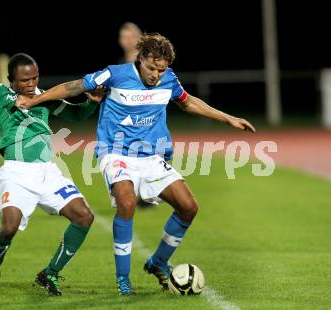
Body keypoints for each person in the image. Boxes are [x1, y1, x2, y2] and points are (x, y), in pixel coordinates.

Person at [15, 33, 255, 295]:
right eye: (151, 68)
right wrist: (34, 100)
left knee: (188, 207)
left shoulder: (169, 80)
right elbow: (74, 86)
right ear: (140, 59)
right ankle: (123, 280)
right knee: (127, 203)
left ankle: (158, 262)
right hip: (115, 152)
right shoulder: (115, 74)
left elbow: (188, 102)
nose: (155, 75)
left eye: (161, 70)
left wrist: (229, 118)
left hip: (152, 157)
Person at [0, 7, 102, 297]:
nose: (32, 84)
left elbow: (76, 117)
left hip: (47, 172)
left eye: (35, 77)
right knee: (9, 228)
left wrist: (92, 103)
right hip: (16, 173)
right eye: (25, 80)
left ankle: (50, 273)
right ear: (12, 80)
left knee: (84, 217)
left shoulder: (44, 98)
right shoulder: (0, 95)